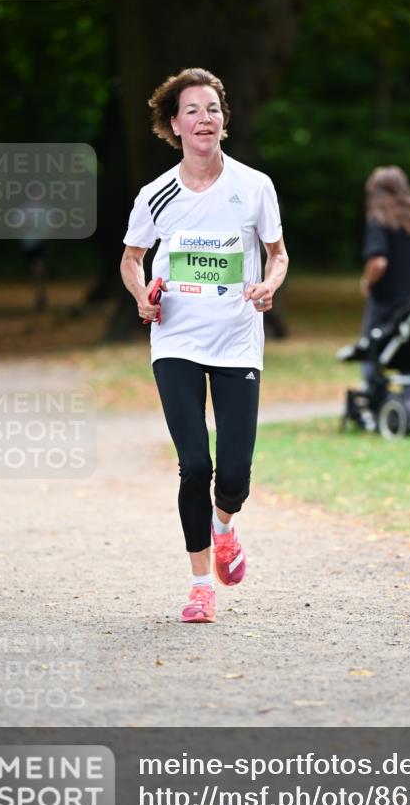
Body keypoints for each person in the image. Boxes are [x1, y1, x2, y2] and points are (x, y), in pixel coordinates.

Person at [120, 68, 289, 623]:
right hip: (177, 338)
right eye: (192, 110)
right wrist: (143, 295)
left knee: (234, 475)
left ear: (223, 121)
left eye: (212, 109)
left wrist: (268, 283)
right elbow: (131, 260)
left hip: (238, 340)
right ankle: (199, 585)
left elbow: (278, 252)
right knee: (195, 464)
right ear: (175, 124)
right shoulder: (156, 194)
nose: (204, 119)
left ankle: (225, 529)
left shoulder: (254, 186)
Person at [359, 166, 410, 388]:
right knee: (409, 347)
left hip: (385, 301)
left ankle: (374, 393)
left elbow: (378, 261)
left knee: (372, 346)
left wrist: (367, 281)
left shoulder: (378, 220)